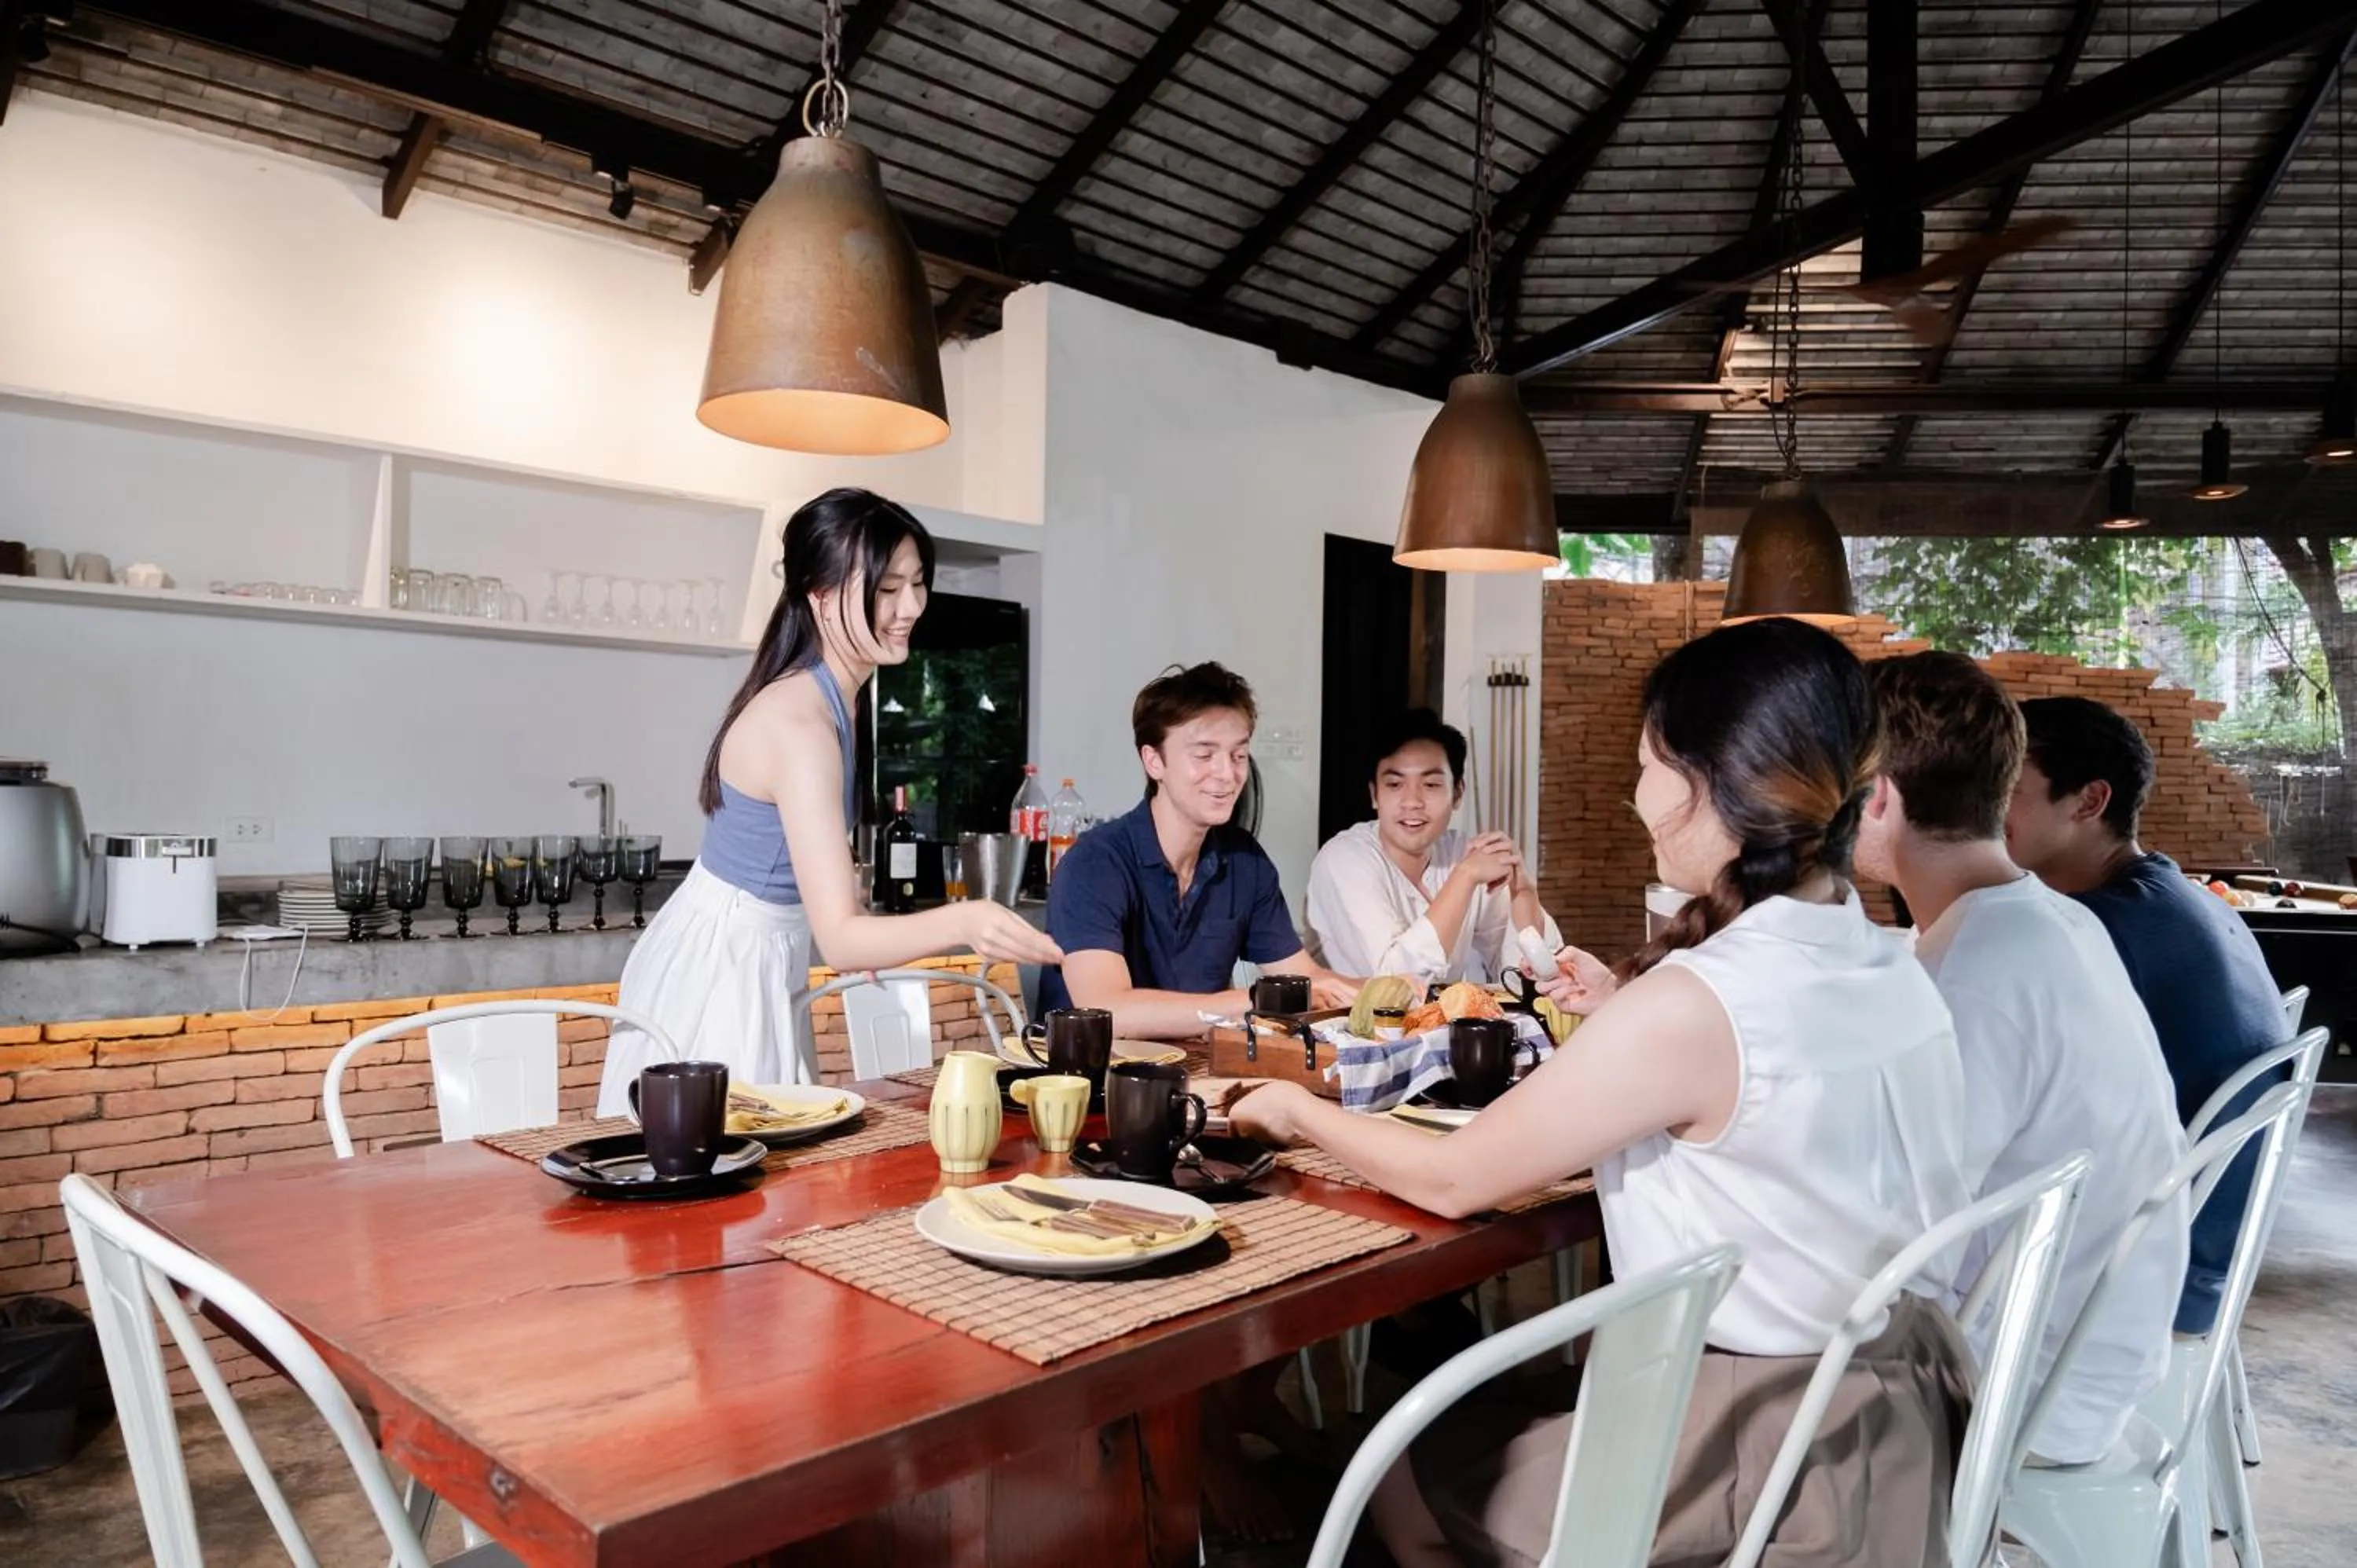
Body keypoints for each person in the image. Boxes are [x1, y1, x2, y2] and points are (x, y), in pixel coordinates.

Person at [1230, 618, 1975, 1568]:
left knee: (1394, 1461)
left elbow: (1459, 1180)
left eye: (1648, 766)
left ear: (1711, 784)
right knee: (1488, 1395)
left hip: (1770, 1454)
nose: (1635, 794)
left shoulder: (1700, 1000)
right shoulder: (1891, 960)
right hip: (1901, 1410)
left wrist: (1296, 1110)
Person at [597, 489, 1061, 1114]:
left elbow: (826, 890)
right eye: (887, 588)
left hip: (755, 953)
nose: (911, 607)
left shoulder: (838, 695)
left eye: (919, 583)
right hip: (723, 969)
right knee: (728, 1181)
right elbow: (840, 941)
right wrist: (966, 920)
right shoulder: (801, 723)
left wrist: (879, 925)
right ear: (819, 593)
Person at [1854, 653, 2187, 1464]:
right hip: (2094, 1347)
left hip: (2023, 1385)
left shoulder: (1975, 972)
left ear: (1881, 798)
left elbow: (1894, 1237)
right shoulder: (2049, 921)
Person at [2007, 695, 2288, 1337]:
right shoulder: (2176, 897)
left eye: (2008, 787)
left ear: (2088, 801)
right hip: (2214, 1249)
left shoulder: (2101, 928)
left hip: (2154, 1271)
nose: (1985, 809)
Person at [1039, 661, 1356, 1036]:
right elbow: (1109, 1010)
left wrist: (1396, 991)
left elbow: (1307, 979)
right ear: (1154, 761)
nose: (1227, 773)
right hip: (1092, 1080)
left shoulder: (1244, 861)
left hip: (1201, 1070)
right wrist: (1257, 999)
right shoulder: (1094, 863)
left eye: (1238, 755)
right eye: (1204, 755)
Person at [1303, 708, 1560, 985]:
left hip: (1440, 1027)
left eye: (1431, 784)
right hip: (1347, 1025)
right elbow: (1394, 984)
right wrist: (1463, 878)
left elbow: (1529, 978)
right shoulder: (1344, 859)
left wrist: (1523, 893)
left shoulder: (1463, 854)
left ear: (1458, 793)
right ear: (1374, 795)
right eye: (1395, 784)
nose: (1412, 801)